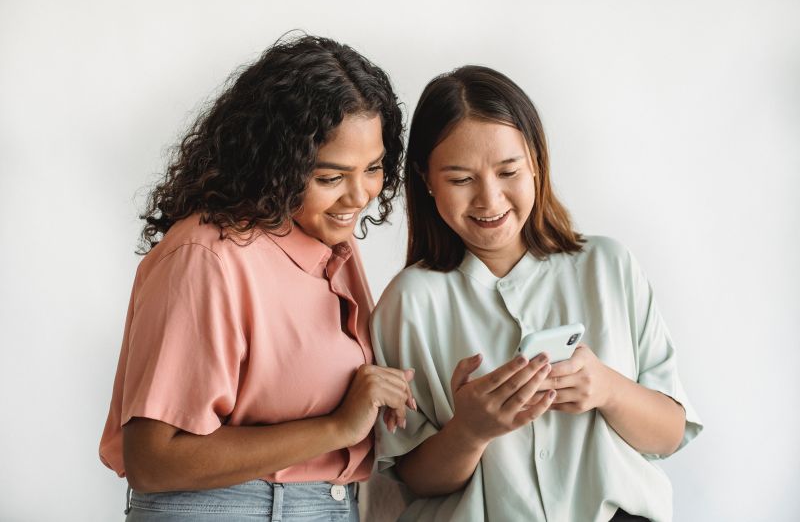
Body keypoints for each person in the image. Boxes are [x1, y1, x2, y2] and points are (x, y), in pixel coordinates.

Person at [99, 34, 415, 522]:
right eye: (330, 177)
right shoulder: (207, 256)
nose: (360, 195)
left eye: (373, 168)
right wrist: (336, 428)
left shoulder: (333, 245)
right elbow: (152, 459)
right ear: (277, 165)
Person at [370, 65, 703, 522]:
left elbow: (669, 434)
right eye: (461, 179)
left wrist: (606, 388)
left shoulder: (609, 266)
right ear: (427, 181)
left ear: (536, 163)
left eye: (508, 171)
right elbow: (414, 477)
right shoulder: (408, 302)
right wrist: (470, 431)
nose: (489, 200)